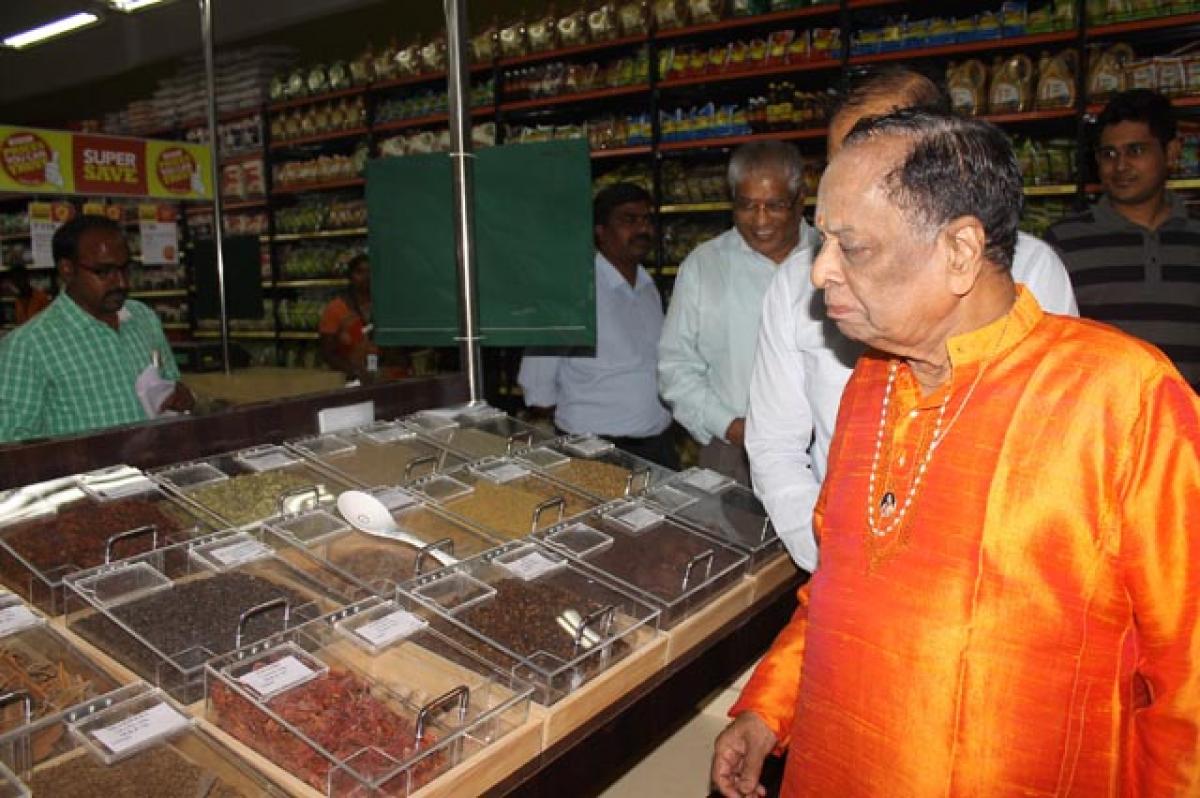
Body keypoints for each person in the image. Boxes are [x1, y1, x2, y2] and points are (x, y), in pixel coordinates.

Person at [712, 108, 1200, 798]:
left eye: (854, 248)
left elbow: (1189, 678)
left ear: (961, 251)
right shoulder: (871, 386)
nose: (820, 272)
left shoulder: (1122, 396)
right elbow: (836, 592)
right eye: (823, 242)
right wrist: (770, 707)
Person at [746, 66, 1079, 570]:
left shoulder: (1033, 278)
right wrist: (833, 557)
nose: (824, 273)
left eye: (880, 164)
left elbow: (1057, 468)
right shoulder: (822, 310)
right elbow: (775, 446)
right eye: (844, 162)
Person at [658, 141, 821, 485]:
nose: (760, 220)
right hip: (734, 456)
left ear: (799, 199)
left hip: (827, 451)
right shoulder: (704, 267)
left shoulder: (832, 258)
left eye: (774, 205)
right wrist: (731, 427)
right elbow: (676, 369)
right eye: (747, 206)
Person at [1044, 89, 1200, 391]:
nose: (1120, 166)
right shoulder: (1063, 243)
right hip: (1095, 426)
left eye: (1136, 151)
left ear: (1171, 152)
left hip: (1187, 428)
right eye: (1109, 154)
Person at [518, 182, 677, 468]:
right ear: (600, 231)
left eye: (646, 220)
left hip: (657, 447)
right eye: (629, 220)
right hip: (595, 453)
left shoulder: (647, 286)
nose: (643, 229)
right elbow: (538, 388)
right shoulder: (573, 291)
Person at [0, 215, 194, 442]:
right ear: (67, 270)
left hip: (156, 465)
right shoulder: (28, 346)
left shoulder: (143, 318)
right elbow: (10, 442)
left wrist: (181, 397)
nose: (121, 283)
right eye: (104, 272)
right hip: (86, 475)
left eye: (124, 269)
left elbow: (172, 383)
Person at [319, 253, 376, 382]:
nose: (366, 277)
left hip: (377, 376)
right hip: (348, 380)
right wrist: (354, 371)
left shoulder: (382, 306)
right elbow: (327, 353)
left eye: (370, 272)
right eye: (360, 272)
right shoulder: (335, 309)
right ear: (350, 276)